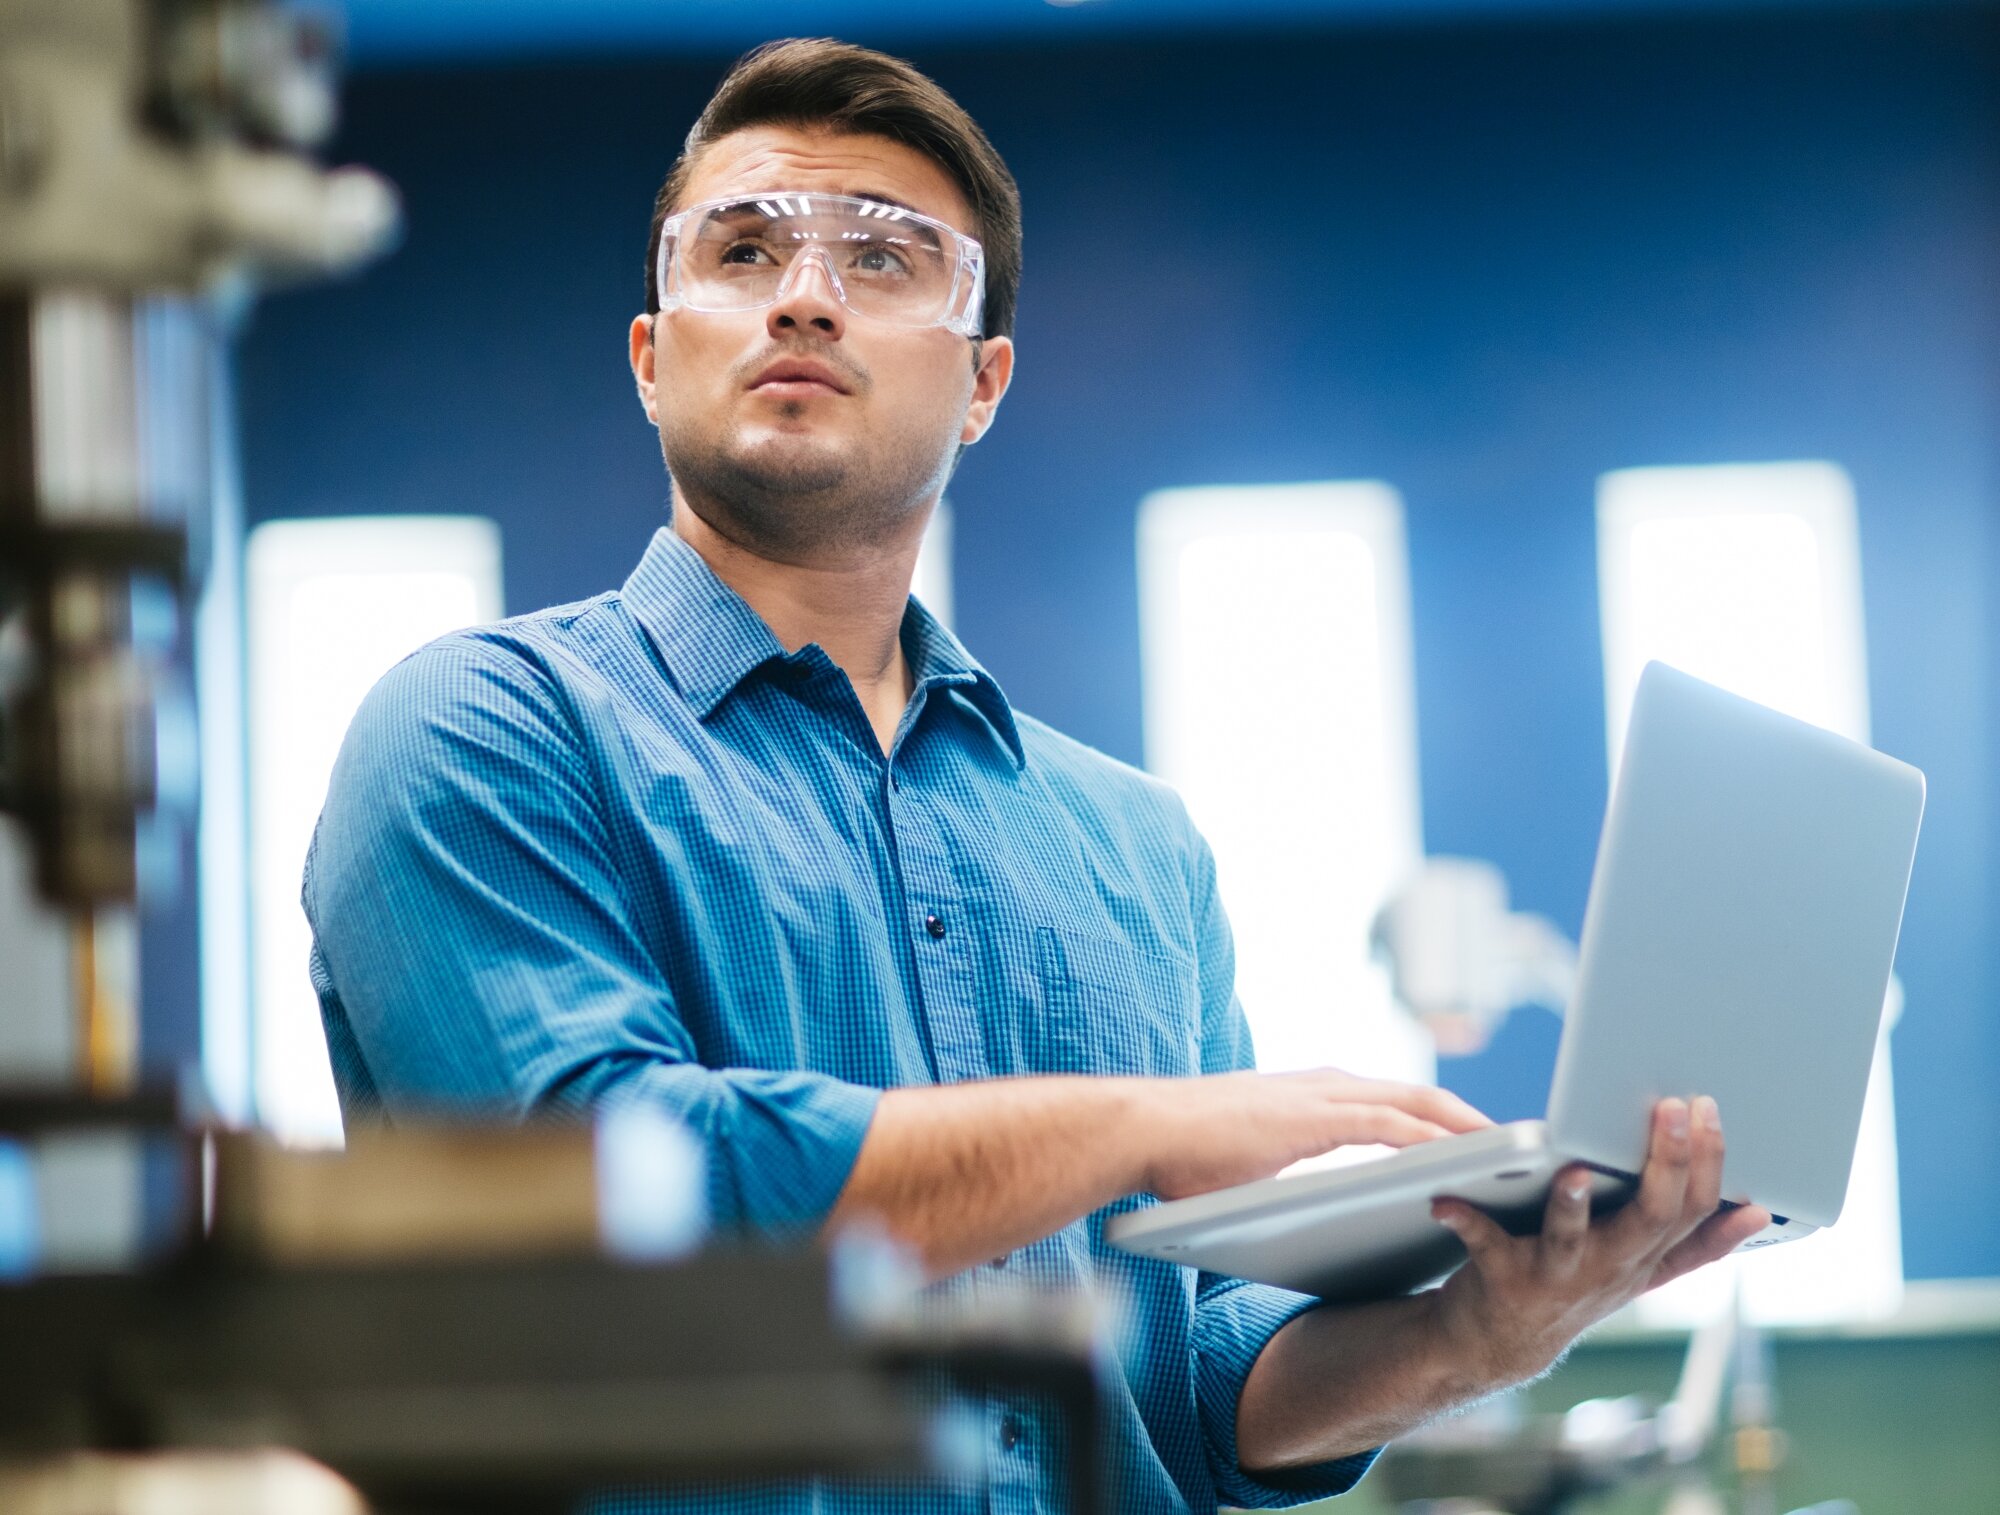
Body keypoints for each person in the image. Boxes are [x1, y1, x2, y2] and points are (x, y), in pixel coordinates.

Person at [304, 37, 1769, 1513]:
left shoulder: (1134, 845)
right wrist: (1135, 1123)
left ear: (985, 382)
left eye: (885, 259)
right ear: (651, 353)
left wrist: (1480, 1331)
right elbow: (615, 1201)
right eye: (743, 248)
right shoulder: (483, 732)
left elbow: (1195, 1392)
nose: (803, 292)